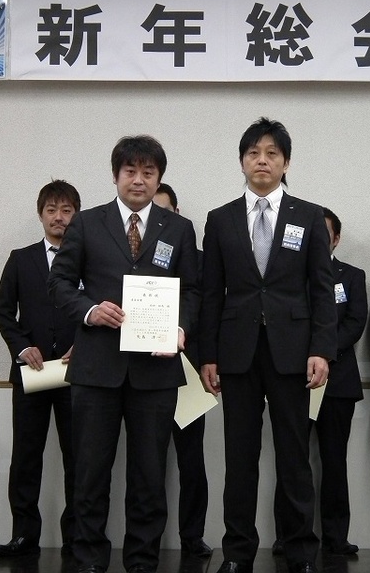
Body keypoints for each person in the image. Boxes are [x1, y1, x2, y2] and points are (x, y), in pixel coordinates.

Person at [48, 136, 199, 573]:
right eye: (130, 171)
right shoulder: (86, 223)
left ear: (159, 178)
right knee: (91, 473)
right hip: (97, 369)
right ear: (115, 175)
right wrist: (90, 310)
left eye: (148, 172)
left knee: (149, 476)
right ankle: (89, 559)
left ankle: (142, 561)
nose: (139, 180)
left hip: (156, 370)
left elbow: (193, 290)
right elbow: (58, 283)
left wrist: (180, 329)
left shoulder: (179, 228)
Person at [199, 117, 337, 573]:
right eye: (254, 153)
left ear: (286, 163)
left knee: (294, 457)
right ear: (242, 161)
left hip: (293, 353)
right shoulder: (219, 219)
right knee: (240, 458)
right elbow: (211, 292)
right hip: (236, 352)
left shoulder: (309, 216)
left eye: (272, 153)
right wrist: (208, 355)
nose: (262, 160)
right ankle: (237, 553)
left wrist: (321, 348)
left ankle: (300, 553)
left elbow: (321, 289)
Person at [0, 180, 81, 558]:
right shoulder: (20, 258)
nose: (59, 217)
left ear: (76, 215)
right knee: (26, 456)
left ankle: (76, 537)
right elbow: (3, 313)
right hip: (31, 373)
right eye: (51, 210)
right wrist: (22, 347)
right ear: (41, 214)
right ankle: (24, 535)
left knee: (79, 458)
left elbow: (101, 309)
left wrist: (85, 346)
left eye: (66, 210)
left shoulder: (88, 260)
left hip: (75, 373)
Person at [272, 207, 367, 557]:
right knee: (291, 460)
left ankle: (336, 537)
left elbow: (355, 322)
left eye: (324, 233)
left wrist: (322, 352)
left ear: (336, 239)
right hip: (293, 378)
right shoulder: (288, 276)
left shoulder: (352, 276)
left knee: (334, 461)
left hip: (338, 381)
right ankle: (288, 535)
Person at [153, 183, 212, 558]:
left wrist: (209, 360)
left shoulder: (202, 261)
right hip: (147, 371)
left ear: (176, 214)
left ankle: (193, 535)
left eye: (165, 211)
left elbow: (211, 315)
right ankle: (149, 539)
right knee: (150, 461)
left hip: (190, 370)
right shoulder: (136, 259)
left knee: (192, 461)